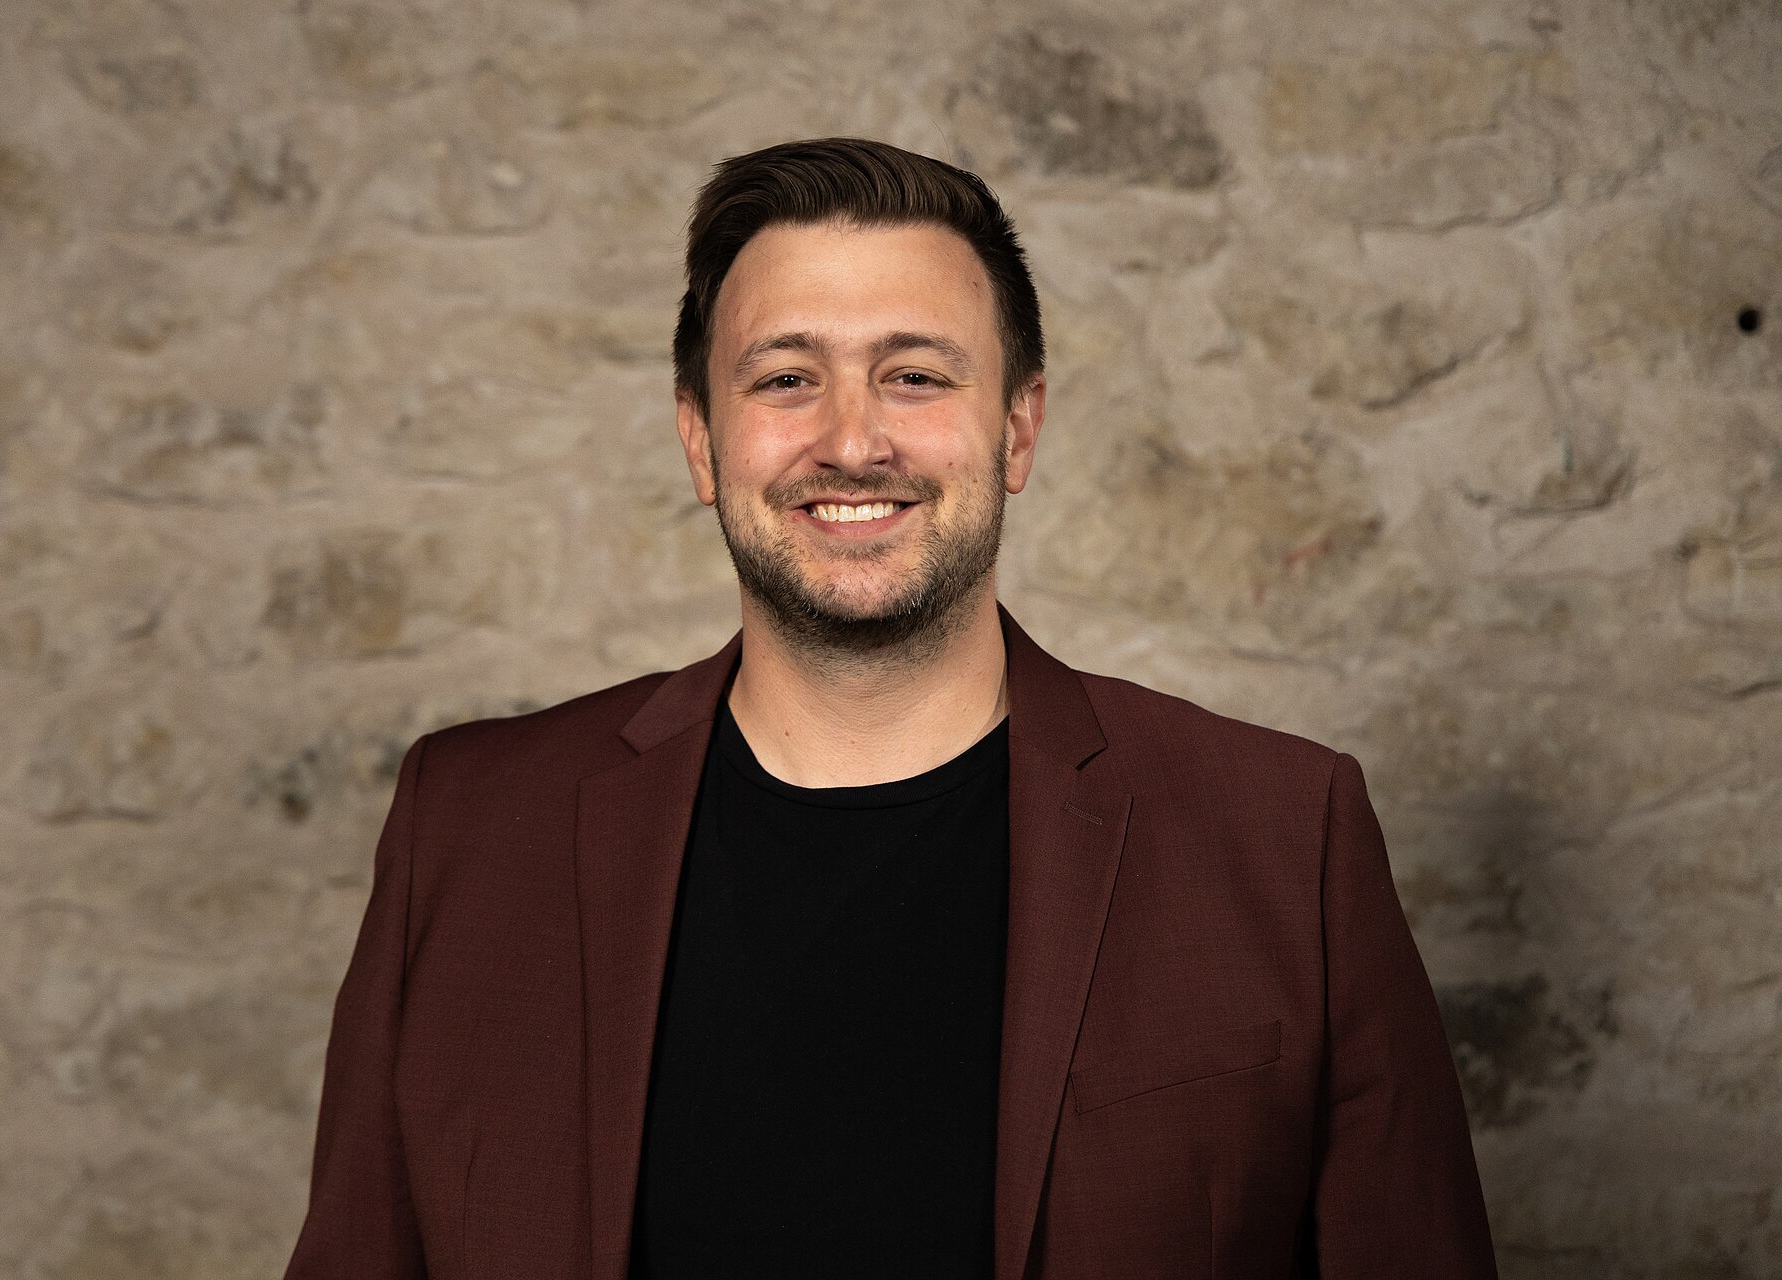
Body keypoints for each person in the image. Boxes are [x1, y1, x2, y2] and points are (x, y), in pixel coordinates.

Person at [284, 137, 1497, 1279]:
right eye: (787, 378)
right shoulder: (471, 827)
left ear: (1017, 427)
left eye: (914, 376)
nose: (852, 440)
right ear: (702, 440)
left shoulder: (1285, 836)